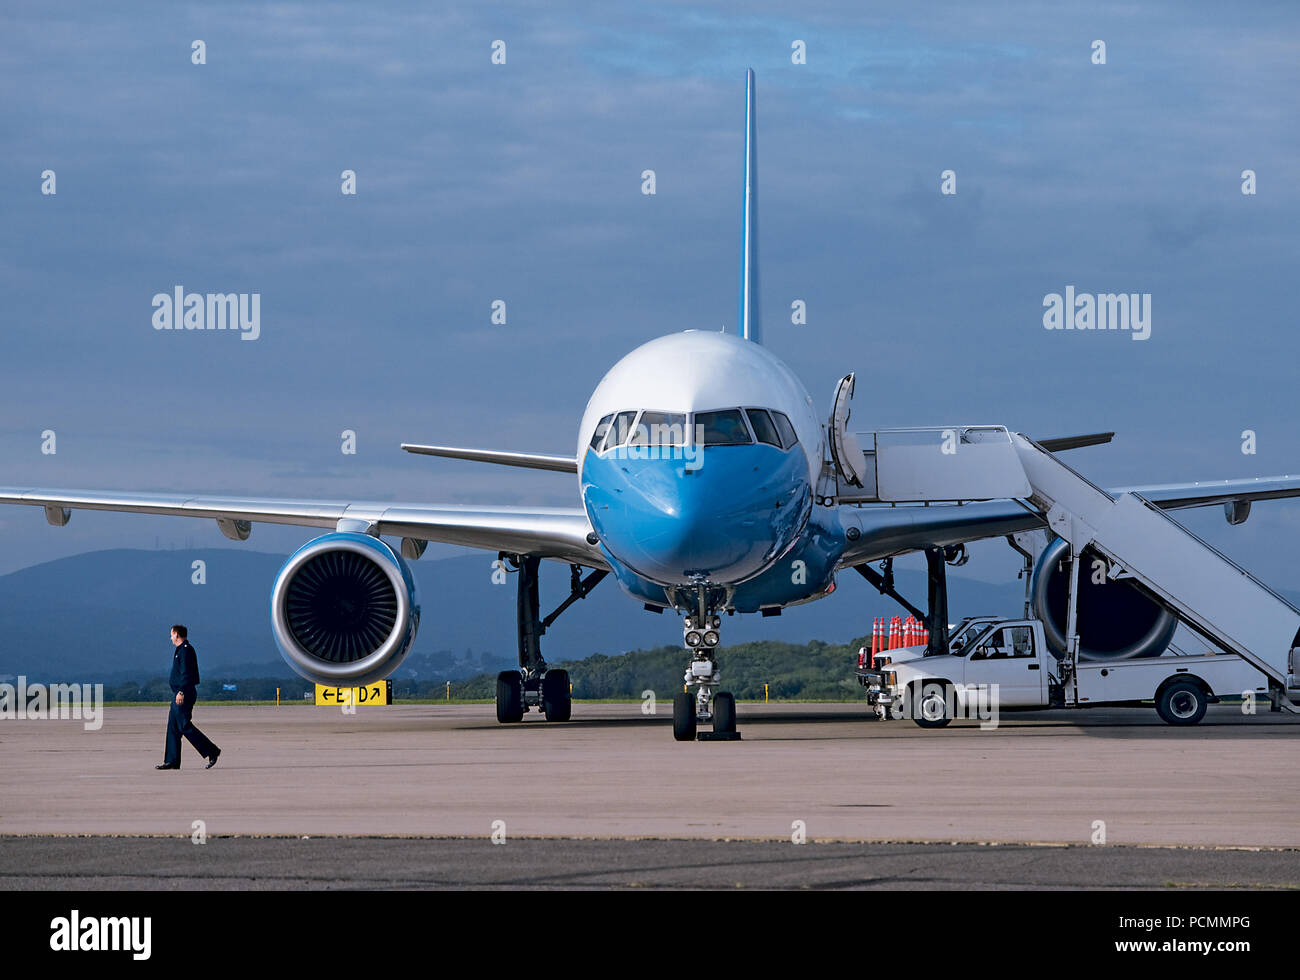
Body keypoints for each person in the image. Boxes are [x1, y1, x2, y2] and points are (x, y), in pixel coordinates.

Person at [156, 624, 221, 770]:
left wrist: (181, 691)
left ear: (177, 634)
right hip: (178, 693)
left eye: (171, 634)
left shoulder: (185, 651)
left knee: (184, 725)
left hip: (183, 693)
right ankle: (171, 760)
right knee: (173, 727)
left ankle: (212, 750)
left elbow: (187, 674)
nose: (170, 637)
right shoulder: (180, 650)